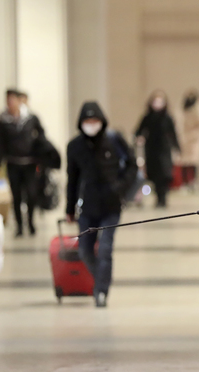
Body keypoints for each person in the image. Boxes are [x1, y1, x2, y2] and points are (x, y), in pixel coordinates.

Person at [66, 101, 137, 307]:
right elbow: (72, 179)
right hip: (87, 207)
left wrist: (121, 187)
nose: (91, 124)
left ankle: (101, 291)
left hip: (111, 206)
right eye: (87, 121)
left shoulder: (114, 140)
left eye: (95, 120)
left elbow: (132, 164)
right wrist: (69, 209)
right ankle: (101, 279)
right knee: (85, 251)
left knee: (105, 249)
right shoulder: (75, 147)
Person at [0, 89, 45, 237]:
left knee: (31, 194)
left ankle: (30, 222)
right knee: (16, 196)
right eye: (7, 101)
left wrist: (42, 158)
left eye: (12, 100)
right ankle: (19, 226)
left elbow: (41, 138)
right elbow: (0, 144)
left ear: (18, 100)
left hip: (30, 163)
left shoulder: (31, 118)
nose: (10, 104)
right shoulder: (2, 121)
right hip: (13, 163)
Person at [135, 90, 181, 208]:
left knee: (165, 175)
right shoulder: (147, 117)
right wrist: (139, 138)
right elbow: (139, 131)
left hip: (164, 150)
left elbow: (173, 133)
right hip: (151, 150)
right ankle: (158, 198)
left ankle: (163, 198)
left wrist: (177, 147)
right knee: (154, 175)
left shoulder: (167, 118)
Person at [177, 89, 199, 190]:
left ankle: (193, 182)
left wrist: (194, 135)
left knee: (194, 162)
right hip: (184, 139)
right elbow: (179, 121)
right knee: (184, 162)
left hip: (195, 139)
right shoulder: (182, 107)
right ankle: (185, 183)